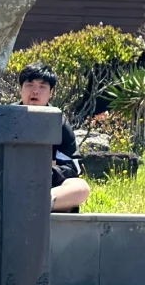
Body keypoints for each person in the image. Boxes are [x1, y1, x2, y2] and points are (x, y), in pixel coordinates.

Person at [17, 62, 91, 212]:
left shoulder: (59, 122)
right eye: (30, 85)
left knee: (81, 188)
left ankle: (34, 205)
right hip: (10, 182)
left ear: (51, 93)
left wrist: (43, 174)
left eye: (42, 87)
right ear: (21, 89)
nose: (35, 92)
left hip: (46, 185)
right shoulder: (4, 117)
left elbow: (72, 166)